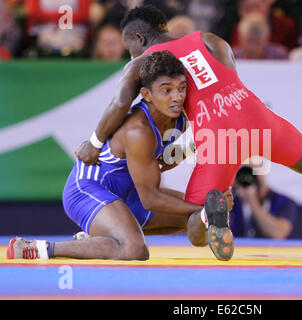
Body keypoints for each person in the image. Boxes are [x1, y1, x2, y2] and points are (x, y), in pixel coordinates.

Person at [75, 5, 302, 259]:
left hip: (217, 133)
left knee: (197, 230)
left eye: (129, 45)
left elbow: (120, 105)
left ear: (138, 38)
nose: (130, 52)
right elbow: (227, 83)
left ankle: (210, 212)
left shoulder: (142, 63)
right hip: (254, 113)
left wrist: (94, 143)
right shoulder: (212, 39)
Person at [7, 51, 234, 261]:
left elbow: (158, 164)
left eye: (181, 88)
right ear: (147, 94)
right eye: (167, 90)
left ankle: (100, 239)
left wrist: (195, 148)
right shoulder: (138, 130)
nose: (176, 97)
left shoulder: (178, 118)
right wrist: (207, 206)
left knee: (194, 219)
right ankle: (39, 248)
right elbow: (150, 199)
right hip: (87, 190)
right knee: (134, 250)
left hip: (126, 194)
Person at [231, 165, 297, 239]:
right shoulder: (232, 202)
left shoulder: (284, 202)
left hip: (270, 250)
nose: (248, 179)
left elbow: (278, 233)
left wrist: (252, 201)